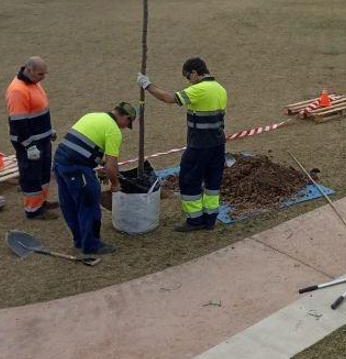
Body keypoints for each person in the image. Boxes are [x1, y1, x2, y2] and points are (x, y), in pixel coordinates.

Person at [137, 58, 228, 232]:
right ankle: (210, 220)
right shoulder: (220, 89)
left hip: (200, 145)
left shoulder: (199, 89)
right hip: (218, 144)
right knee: (212, 183)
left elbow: (168, 98)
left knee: (189, 180)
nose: (188, 80)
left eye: (188, 76)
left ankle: (194, 221)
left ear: (194, 72)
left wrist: (146, 84)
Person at [53, 103, 136, 255]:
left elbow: (84, 146)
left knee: (70, 204)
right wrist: (115, 184)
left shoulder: (92, 116)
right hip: (76, 168)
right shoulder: (113, 130)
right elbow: (112, 166)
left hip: (60, 163)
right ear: (125, 117)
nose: (125, 127)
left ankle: (79, 240)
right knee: (89, 202)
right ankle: (91, 245)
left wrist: (100, 163)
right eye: (127, 123)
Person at [5, 57, 58, 220]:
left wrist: (49, 130)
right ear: (29, 71)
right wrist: (29, 146)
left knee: (43, 172)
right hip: (29, 142)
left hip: (42, 138)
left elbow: (39, 110)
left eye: (44, 74)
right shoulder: (17, 91)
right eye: (40, 74)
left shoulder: (34, 83)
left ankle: (41, 202)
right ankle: (33, 210)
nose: (43, 77)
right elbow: (19, 122)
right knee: (30, 174)